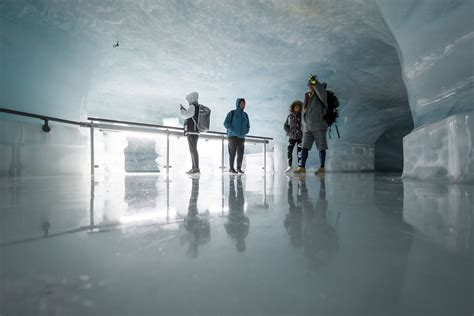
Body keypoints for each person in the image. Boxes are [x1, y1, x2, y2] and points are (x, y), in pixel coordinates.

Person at [294, 75, 329, 175]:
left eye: (311, 83)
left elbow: (320, 91)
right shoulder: (308, 95)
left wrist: (315, 82)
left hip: (319, 125)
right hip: (307, 127)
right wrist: (303, 125)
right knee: (304, 147)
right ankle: (302, 168)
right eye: (309, 83)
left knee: (321, 147)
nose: (309, 85)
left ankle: (322, 168)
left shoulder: (321, 93)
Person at [223, 98, 250, 174]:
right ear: (238, 104)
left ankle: (239, 168)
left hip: (242, 137)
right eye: (241, 103)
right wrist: (232, 129)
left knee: (240, 154)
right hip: (232, 136)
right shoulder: (232, 113)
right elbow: (225, 123)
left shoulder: (245, 115)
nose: (242, 105)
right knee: (232, 153)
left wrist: (246, 131)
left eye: (243, 103)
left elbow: (248, 125)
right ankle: (231, 168)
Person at [225, 177, 250, 252]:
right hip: (239, 210)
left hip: (234, 210)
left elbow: (226, 224)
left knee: (234, 192)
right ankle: (236, 180)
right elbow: (247, 221)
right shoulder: (242, 234)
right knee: (238, 192)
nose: (241, 242)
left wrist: (232, 220)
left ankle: (234, 180)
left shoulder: (233, 235)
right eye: (242, 244)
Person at [180, 92, 201, 175]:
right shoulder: (198, 107)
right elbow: (191, 115)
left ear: (192, 98)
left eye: (189, 99)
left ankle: (196, 168)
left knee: (193, 150)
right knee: (193, 150)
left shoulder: (193, 106)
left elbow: (186, 115)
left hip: (192, 131)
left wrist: (182, 109)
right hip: (195, 131)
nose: (188, 101)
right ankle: (194, 168)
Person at [284, 100, 303, 173]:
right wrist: (288, 131)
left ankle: (300, 167)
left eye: (298, 107)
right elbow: (285, 125)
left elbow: (304, 125)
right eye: (296, 106)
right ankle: (289, 166)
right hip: (291, 137)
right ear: (293, 107)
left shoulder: (302, 116)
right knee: (289, 151)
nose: (297, 108)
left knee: (300, 152)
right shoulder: (290, 116)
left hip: (299, 137)